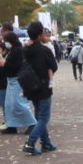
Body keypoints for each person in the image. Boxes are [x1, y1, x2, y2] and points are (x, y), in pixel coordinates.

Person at [22, 21, 58, 155]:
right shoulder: (44, 50)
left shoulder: (25, 50)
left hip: (30, 86)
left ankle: (46, 143)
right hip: (43, 87)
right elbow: (54, 66)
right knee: (44, 117)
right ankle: (30, 143)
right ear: (39, 35)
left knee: (39, 115)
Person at [1, 31, 37, 133]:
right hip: (11, 80)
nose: (5, 43)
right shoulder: (13, 50)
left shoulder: (18, 50)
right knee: (9, 105)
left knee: (19, 104)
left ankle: (32, 123)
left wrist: (4, 64)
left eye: (6, 41)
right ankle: (12, 125)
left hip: (17, 80)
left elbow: (17, 66)